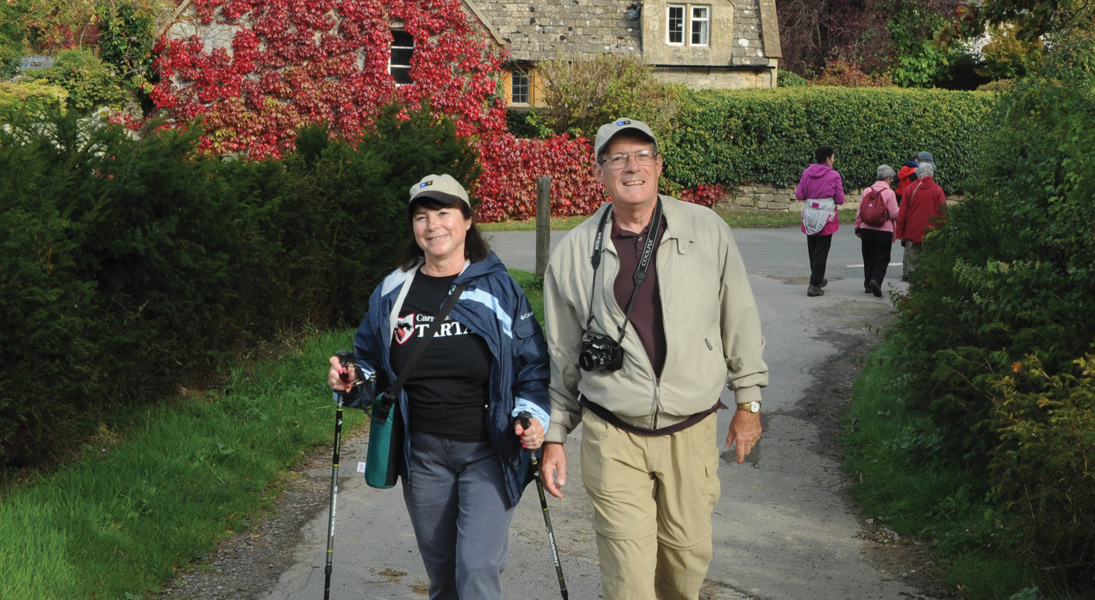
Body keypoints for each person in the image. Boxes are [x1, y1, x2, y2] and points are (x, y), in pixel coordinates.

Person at [538, 118, 770, 600]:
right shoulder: (575, 252)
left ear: (659, 165)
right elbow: (561, 354)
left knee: (686, 565)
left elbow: (739, 319)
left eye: (642, 155)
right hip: (613, 433)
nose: (632, 166)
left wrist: (748, 403)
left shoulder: (707, 229)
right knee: (628, 576)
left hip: (690, 431)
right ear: (601, 172)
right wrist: (556, 435)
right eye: (617, 158)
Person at [325, 174, 551, 600]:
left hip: (489, 450)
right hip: (423, 456)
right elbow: (368, 362)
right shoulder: (393, 291)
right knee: (444, 576)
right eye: (422, 217)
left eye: (444, 213)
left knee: (477, 568)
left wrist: (533, 419)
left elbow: (533, 365)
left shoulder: (498, 288)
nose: (433, 226)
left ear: (467, 220)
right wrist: (351, 378)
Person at [795, 145, 846, 296]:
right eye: (833, 158)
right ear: (828, 158)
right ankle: (815, 284)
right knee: (822, 251)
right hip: (826, 217)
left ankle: (817, 277)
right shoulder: (834, 175)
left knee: (813, 249)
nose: (834, 160)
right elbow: (840, 199)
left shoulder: (806, 173)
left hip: (810, 215)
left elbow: (799, 195)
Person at [853, 164, 900, 297]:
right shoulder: (889, 193)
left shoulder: (867, 191)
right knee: (883, 257)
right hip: (884, 230)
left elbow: (860, 212)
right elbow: (893, 214)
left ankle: (868, 284)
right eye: (892, 179)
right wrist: (900, 210)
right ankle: (877, 280)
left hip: (866, 228)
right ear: (888, 178)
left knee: (868, 256)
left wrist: (858, 227)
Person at [896, 160, 947, 281]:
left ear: (918, 174)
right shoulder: (938, 190)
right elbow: (944, 213)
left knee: (913, 264)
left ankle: (914, 293)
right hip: (932, 233)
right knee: (930, 264)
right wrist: (944, 231)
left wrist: (900, 233)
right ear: (932, 174)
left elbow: (902, 213)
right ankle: (926, 292)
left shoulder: (909, 189)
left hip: (912, 232)